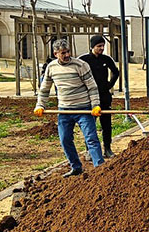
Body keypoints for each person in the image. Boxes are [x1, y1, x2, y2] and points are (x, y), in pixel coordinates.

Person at [35, 39, 104, 177]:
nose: (67, 55)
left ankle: (100, 170)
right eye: (63, 53)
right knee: (65, 139)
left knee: (91, 138)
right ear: (56, 54)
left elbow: (92, 87)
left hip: (83, 109)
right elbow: (44, 89)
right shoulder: (51, 67)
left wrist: (95, 105)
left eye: (68, 52)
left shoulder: (81, 65)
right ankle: (76, 167)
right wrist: (40, 105)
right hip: (64, 110)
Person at [78, 35, 120, 157]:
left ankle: (107, 148)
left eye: (103, 46)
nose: (101, 48)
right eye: (99, 46)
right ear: (92, 47)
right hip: (89, 98)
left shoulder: (106, 59)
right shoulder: (83, 60)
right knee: (90, 125)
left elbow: (115, 72)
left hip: (104, 97)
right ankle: (89, 151)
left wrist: (109, 85)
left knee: (106, 124)